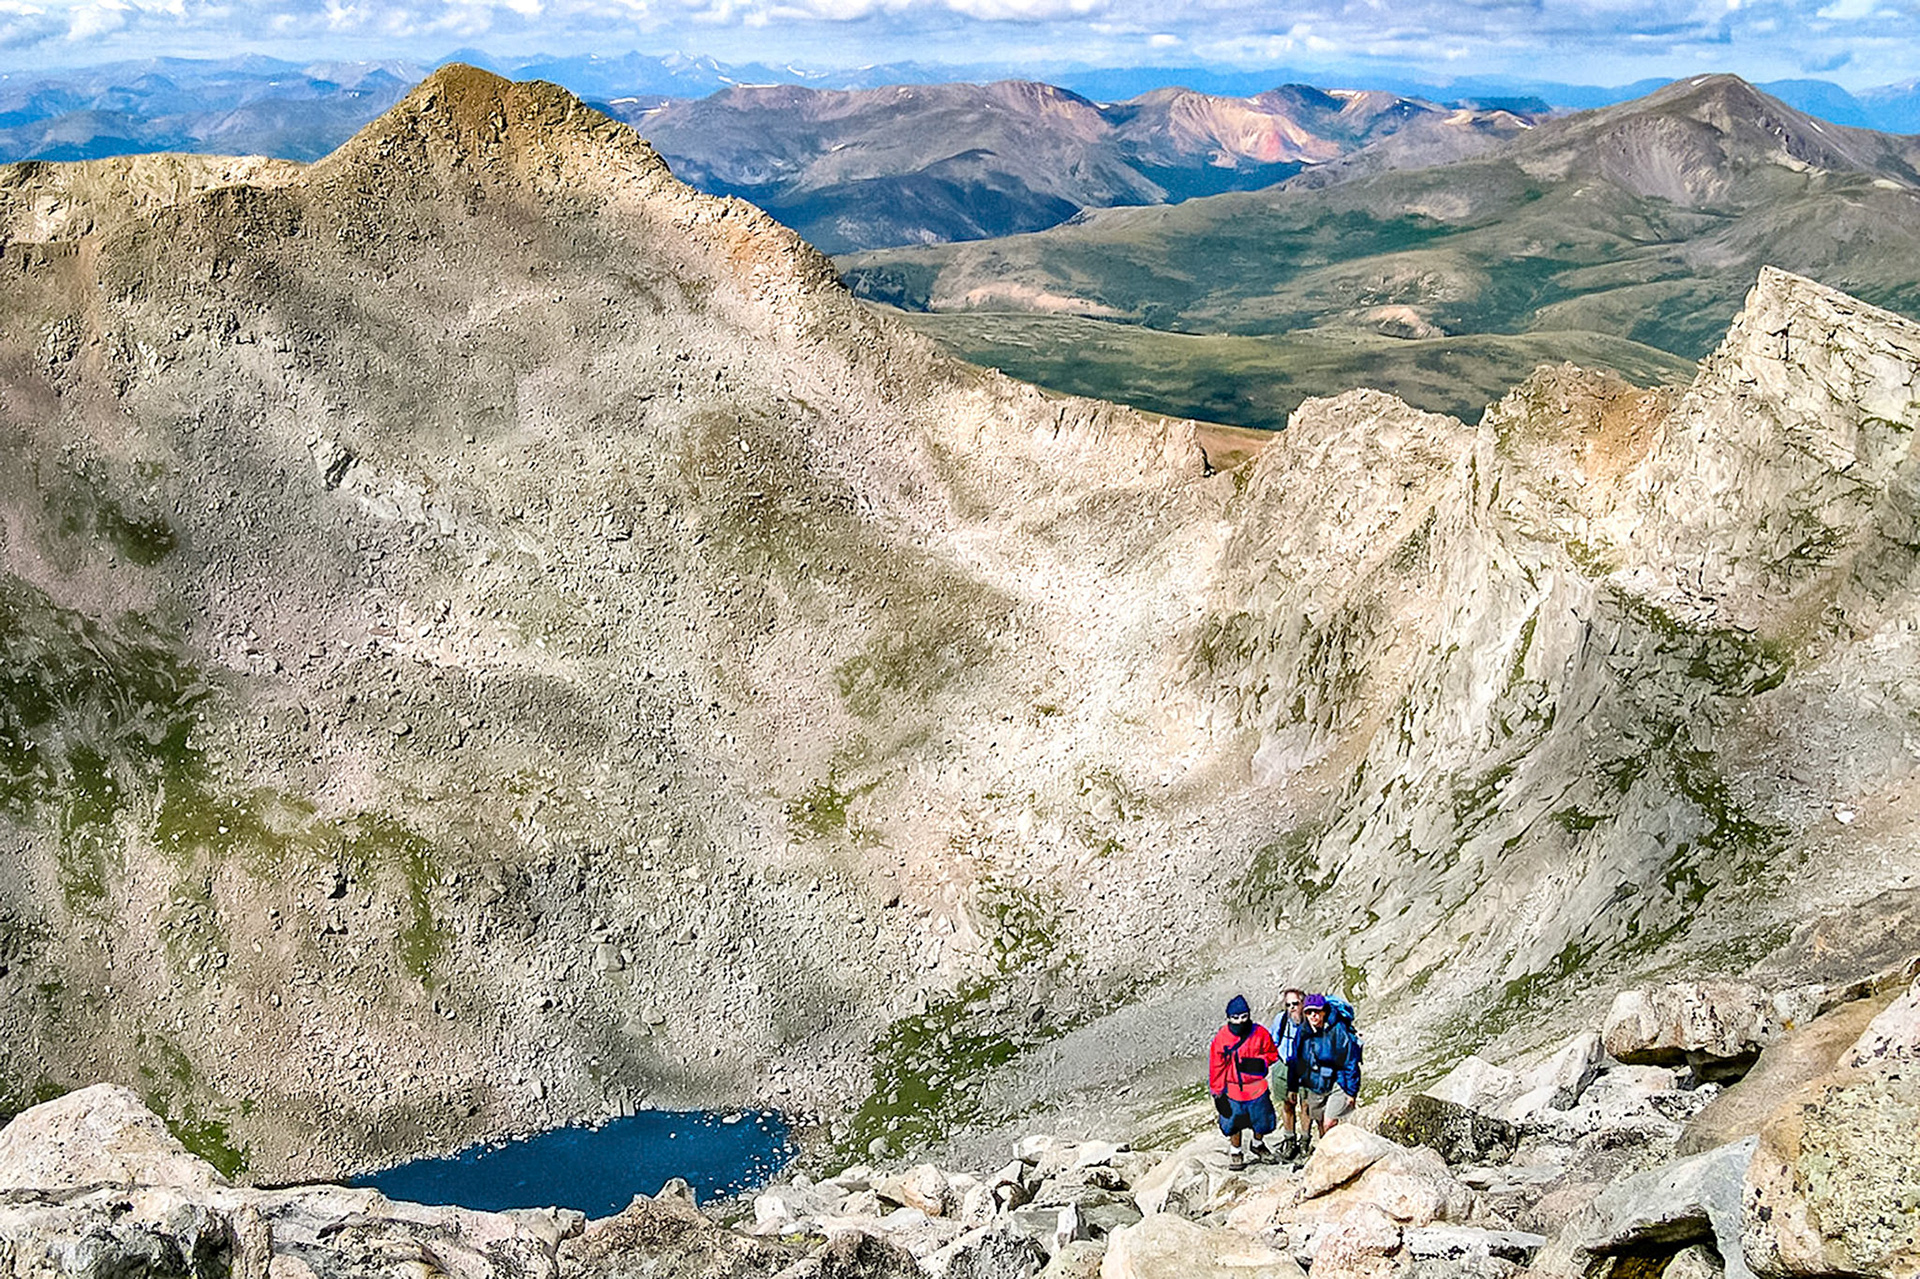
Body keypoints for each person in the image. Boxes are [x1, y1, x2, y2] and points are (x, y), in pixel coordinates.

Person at [1208, 994, 1279, 1170]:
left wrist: (1259, 1062)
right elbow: (1216, 1066)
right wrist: (1217, 1092)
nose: (1240, 1021)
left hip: (1257, 1089)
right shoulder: (1222, 1038)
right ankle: (1236, 1151)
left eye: (1244, 1017)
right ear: (1229, 1018)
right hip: (1233, 1090)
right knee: (1234, 1123)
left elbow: (1273, 1054)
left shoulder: (1260, 1032)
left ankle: (1257, 1144)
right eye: (1236, 1017)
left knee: (1262, 1120)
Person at [1288, 993, 1360, 1141]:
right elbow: (1295, 1060)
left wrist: (1351, 1092)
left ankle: (1336, 1154)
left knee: (1329, 1123)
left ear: (1324, 1011)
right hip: (1315, 1084)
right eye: (1309, 1012)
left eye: (1317, 1011)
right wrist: (1292, 1087)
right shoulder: (1303, 1032)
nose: (1313, 1015)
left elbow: (1349, 1061)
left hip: (1337, 1082)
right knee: (1321, 1124)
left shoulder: (1337, 1029)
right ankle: (1330, 1153)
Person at [1268, 988, 1309, 1161]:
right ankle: (1289, 1141)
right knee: (1287, 1104)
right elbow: (1272, 1040)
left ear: (1302, 1004)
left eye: (1295, 1004)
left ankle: (1305, 1142)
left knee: (1306, 1105)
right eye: (1288, 1005)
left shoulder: (1310, 1021)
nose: (1292, 1008)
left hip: (1305, 1067)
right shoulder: (1281, 1019)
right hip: (1284, 1064)